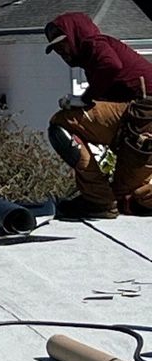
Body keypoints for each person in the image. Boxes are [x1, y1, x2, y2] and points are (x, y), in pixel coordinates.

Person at [45, 12, 152, 219]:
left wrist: (86, 98)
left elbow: (112, 65)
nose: (61, 52)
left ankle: (96, 199)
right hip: (136, 123)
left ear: (76, 35)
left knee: (62, 121)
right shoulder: (92, 57)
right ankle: (101, 199)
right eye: (56, 48)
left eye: (62, 44)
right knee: (126, 199)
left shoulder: (94, 44)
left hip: (144, 113)